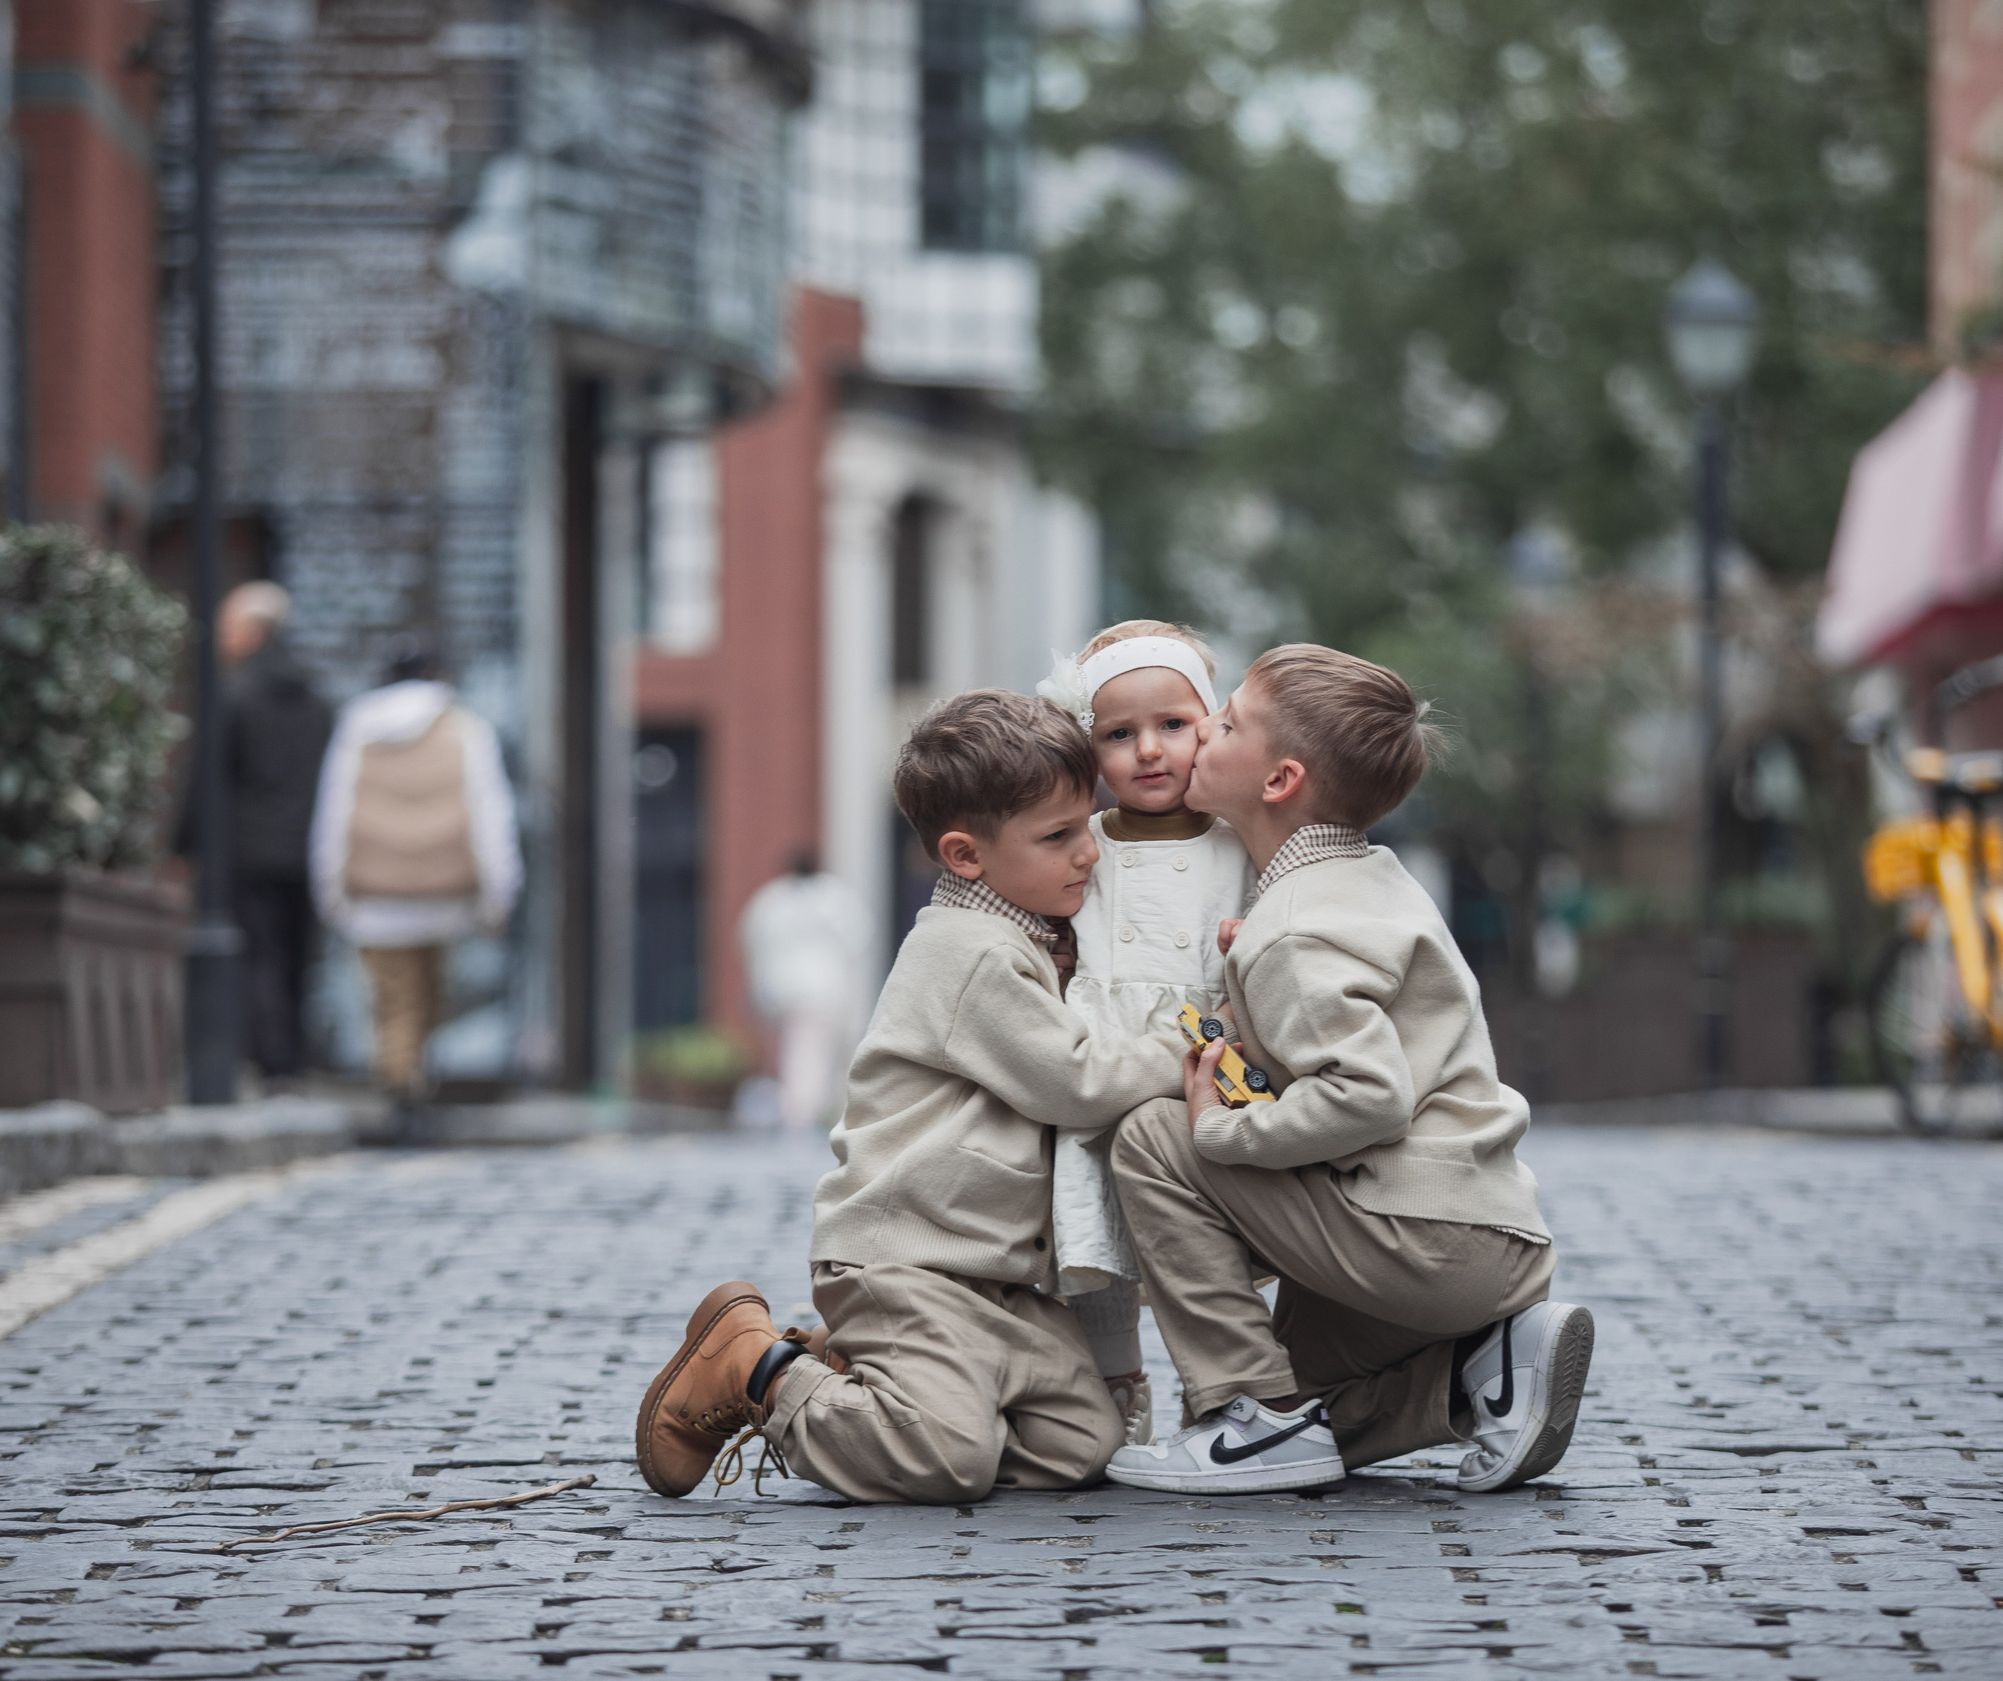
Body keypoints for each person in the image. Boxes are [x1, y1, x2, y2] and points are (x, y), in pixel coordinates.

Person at [633, 690, 1187, 1503]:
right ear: (965, 855)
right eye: (1059, 836)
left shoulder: (1027, 935)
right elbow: (1077, 1080)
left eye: (1088, 825)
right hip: (907, 1259)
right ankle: (758, 1368)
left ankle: (852, 1371)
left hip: (993, 1277)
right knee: (950, 1460)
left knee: (1083, 1443)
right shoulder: (971, 953)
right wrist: (1192, 1051)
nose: (1088, 854)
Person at [1106, 644, 1590, 1497]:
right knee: (1312, 1402)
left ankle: (1250, 1415)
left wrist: (1222, 1129)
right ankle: (1481, 1374)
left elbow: (1370, 1094)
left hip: (1423, 1237)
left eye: (1229, 723)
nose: (1204, 729)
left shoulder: (1292, 927)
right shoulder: (1364, 879)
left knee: (1153, 1134)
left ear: (1279, 779)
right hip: (1484, 1233)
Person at [1033, 620, 1256, 1446]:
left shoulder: (1238, 843)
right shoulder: (1083, 843)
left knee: (1207, 1234)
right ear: (1088, 749)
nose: (1150, 750)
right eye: (1119, 734)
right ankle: (1115, 1379)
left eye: (1173, 724)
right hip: (1103, 1051)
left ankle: (1218, 1381)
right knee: (1093, 1222)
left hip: (1208, 1054)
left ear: (1211, 723)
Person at [310, 636, 520, 1120]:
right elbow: (491, 815)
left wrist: (330, 889)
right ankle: (411, 1087)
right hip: (445, 897)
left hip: (374, 898)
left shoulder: (358, 727)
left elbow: (334, 812)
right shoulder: (465, 728)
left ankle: (401, 1090)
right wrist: (499, 894)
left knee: (393, 1002)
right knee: (429, 998)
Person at [216, 582, 333, 1089]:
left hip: (251, 850)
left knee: (259, 954)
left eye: (228, 625)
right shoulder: (317, 699)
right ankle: (294, 1060)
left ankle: (272, 1061)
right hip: (308, 848)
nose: (221, 636)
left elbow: (210, 778)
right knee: (297, 956)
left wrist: (184, 845)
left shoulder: (236, 695)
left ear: (254, 631)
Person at [738, 851, 868, 1131]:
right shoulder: (832, 896)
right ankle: (801, 1117)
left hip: (783, 990)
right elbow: (856, 941)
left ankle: (807, 1112)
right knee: (808, 1053)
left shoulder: (771, 900)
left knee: (798, 1052)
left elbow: (753, 944)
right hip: (821, 990)